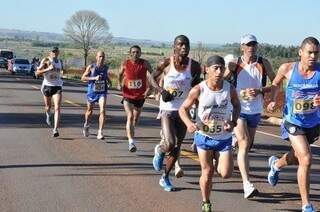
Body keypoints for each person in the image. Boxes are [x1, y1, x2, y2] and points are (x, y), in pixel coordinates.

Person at [179, 55, 240, 212]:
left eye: (222, 67)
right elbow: (182, 109)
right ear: (207, 70)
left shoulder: (230, 89)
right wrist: (188, 124)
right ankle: (206, 202)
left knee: (226, 174)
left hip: (224, 137)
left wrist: (233, 122)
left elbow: (237, 105)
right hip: (204, 137)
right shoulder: (199, 89)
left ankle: (217, 160)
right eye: (216, 68)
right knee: (207, 171)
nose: (219, 71)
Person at [267, 37, 320, 212]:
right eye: (309, 52)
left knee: (297, 155)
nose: (313, 56)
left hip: (313, 121)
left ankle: (276, 165)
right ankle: (306, 204)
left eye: (316, 53)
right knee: (306, 158)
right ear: (300, 52)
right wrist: (274, 100)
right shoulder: (288, 68)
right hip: (293, 120)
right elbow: (275, 83)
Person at [151, 35, 202, 191]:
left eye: (186, 44)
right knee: (170, 143)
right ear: (174, 47)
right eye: (180, 44)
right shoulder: (166, 63)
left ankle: (165, 177)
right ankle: (159, 150)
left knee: (176, 147)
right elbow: (151, 77)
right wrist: (161, 90)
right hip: (167, 109)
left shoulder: (194, 66)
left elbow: (195, 87)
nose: (184, 47)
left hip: (183, 111)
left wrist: (197, 107)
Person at [231, 34, 275, 198]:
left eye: (254, 44)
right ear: (242, 46)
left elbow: (276, 83)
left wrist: (261, 91)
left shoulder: (263, 63)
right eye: (248, 44)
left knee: (248, 146)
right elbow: (225, 82)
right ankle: (247, 184)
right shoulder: (235, 64)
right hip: (238, 109)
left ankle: (233, 142)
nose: (251, 47)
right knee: (244, 143)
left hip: (255, 110)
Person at [118, 45, 153, 152]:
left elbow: (153, 77)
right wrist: (119, 84)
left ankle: (131, 132)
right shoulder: (125, 63)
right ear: (130, 53)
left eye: (137, 52)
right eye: (133, 52)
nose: (135, 54)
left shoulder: (145, 63)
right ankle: (131, 142)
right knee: (130, 116)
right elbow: (119, 74)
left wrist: (149, 89)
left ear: (140, 53)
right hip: (128, 94)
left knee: (135, 119)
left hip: (140, 95)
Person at [81, 51, 111, 140]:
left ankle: (100, 132)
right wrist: (94, 78)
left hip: (102, 92)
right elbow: (83, 78)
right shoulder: (91, 67)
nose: (102, 58)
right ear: (96, 57)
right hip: (92, 92)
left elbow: (106, 76)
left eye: (103, 57)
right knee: (89, 111)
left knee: (102, 110)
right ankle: (86, 125)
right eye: (100, 56)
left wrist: (109, 82)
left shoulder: (105, 67)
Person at [36, 47, 64, 137]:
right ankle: (48, 115)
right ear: (50, 53)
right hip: (47, 86)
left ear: (58, 52)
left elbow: (62, 70)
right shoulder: (46, 60)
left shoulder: (60, 62)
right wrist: (48, 69)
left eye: (56, 51)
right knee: (48, 107)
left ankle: (55, 129)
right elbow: (37, 73)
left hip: (57, 86)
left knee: (57, 108)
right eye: (53, 51)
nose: (55, 53)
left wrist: (62, 71)